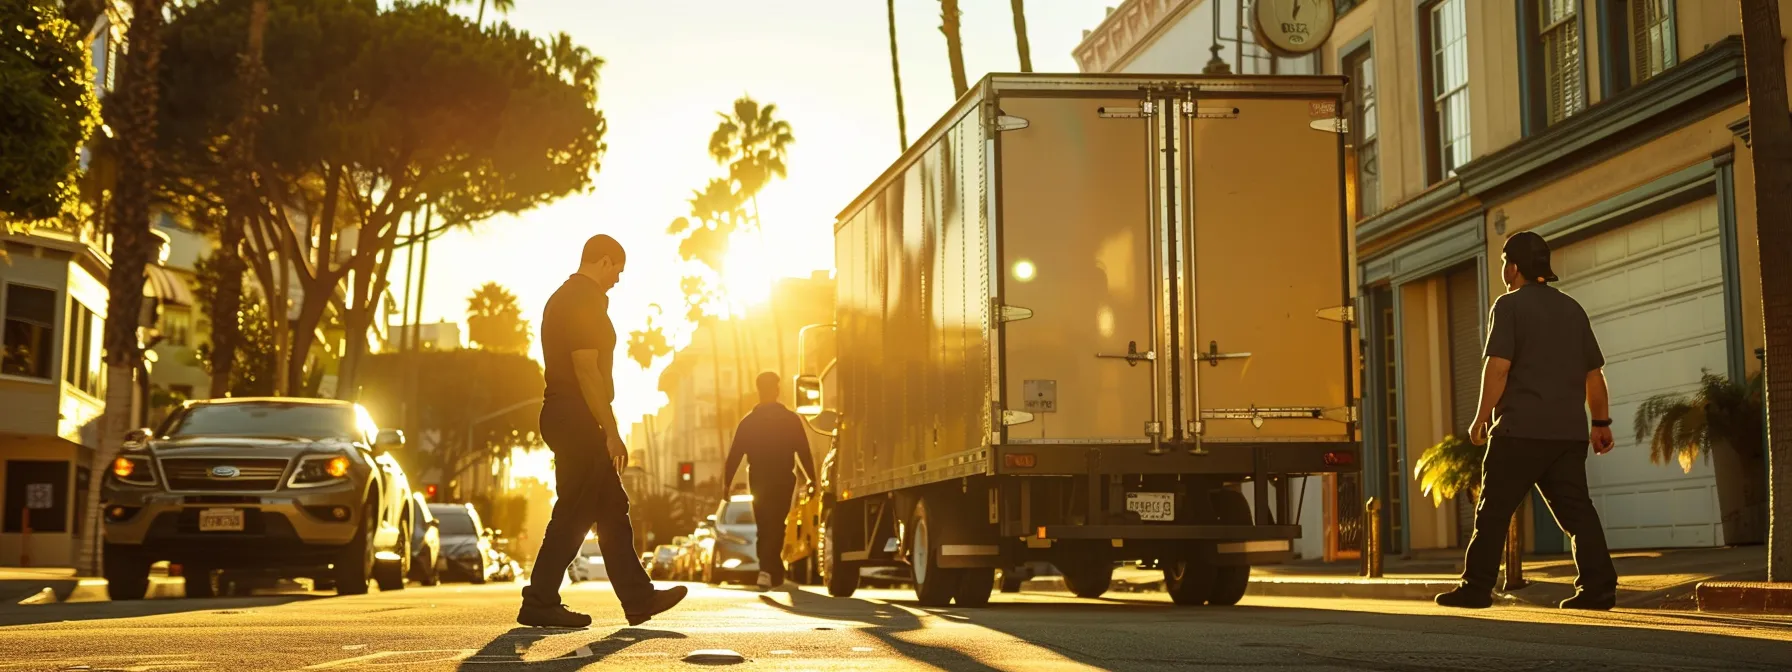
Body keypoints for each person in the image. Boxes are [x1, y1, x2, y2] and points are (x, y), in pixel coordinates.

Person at [1435, 231, 1619, 611]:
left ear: (1513, 267)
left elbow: (1498, 368)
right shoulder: (1572, 309)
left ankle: (1476, 587)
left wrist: (1480, 418)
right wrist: (1601, 423)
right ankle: (1598, 589)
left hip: (1519, 432)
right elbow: (1594, 375)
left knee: (1493, 512)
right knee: (1577, 513)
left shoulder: (1508, 306)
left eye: (1505, 261)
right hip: (1566, 436)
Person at [519, 234, 686, 628]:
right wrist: (610, 430)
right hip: (575, 416)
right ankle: (540, 600)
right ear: (605, 261)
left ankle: (638, 599)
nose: (618, 280)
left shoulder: (567, 297)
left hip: (567, 415)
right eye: (618, 271)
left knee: (610, 507)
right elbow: (586, 369)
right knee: (575, 511)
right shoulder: (582, 299)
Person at [722, 372, 818, 591]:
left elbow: (734, 455)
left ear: (759, 390)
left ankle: (768, 570)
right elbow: (804, 451)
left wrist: (726, 485)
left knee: (766, 523)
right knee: (775, 523)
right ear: (776, 390)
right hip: (783, 477)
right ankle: (772, 570)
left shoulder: (749, 421)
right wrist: (812, 479)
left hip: (759, 477)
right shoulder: (790, 419)